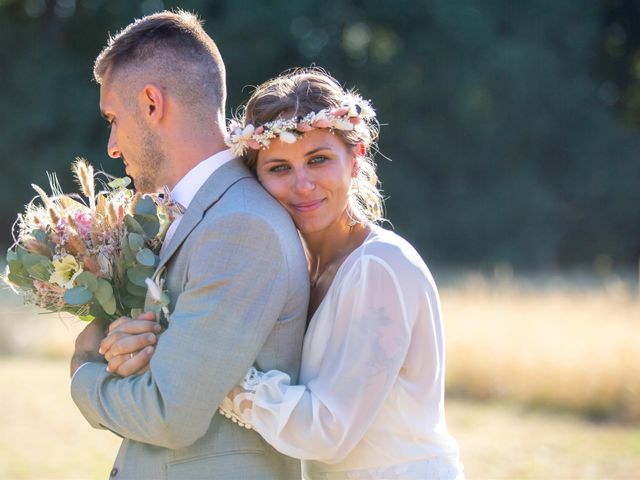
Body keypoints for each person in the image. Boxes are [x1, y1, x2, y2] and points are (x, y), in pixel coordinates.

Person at [105, 68, 465, 479]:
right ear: (256, 177)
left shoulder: (380, 266)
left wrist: (202, 368)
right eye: (279, 168)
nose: (303, 185)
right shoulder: (302, 268)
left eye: (319, 160)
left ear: (356, 156)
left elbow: (328, 431)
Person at [69, 11, 309, 480]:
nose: (112, 146)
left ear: (152, 103)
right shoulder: (200, 214)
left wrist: (84, 372)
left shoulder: (240, 226)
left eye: (113, 119)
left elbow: (169, 413)